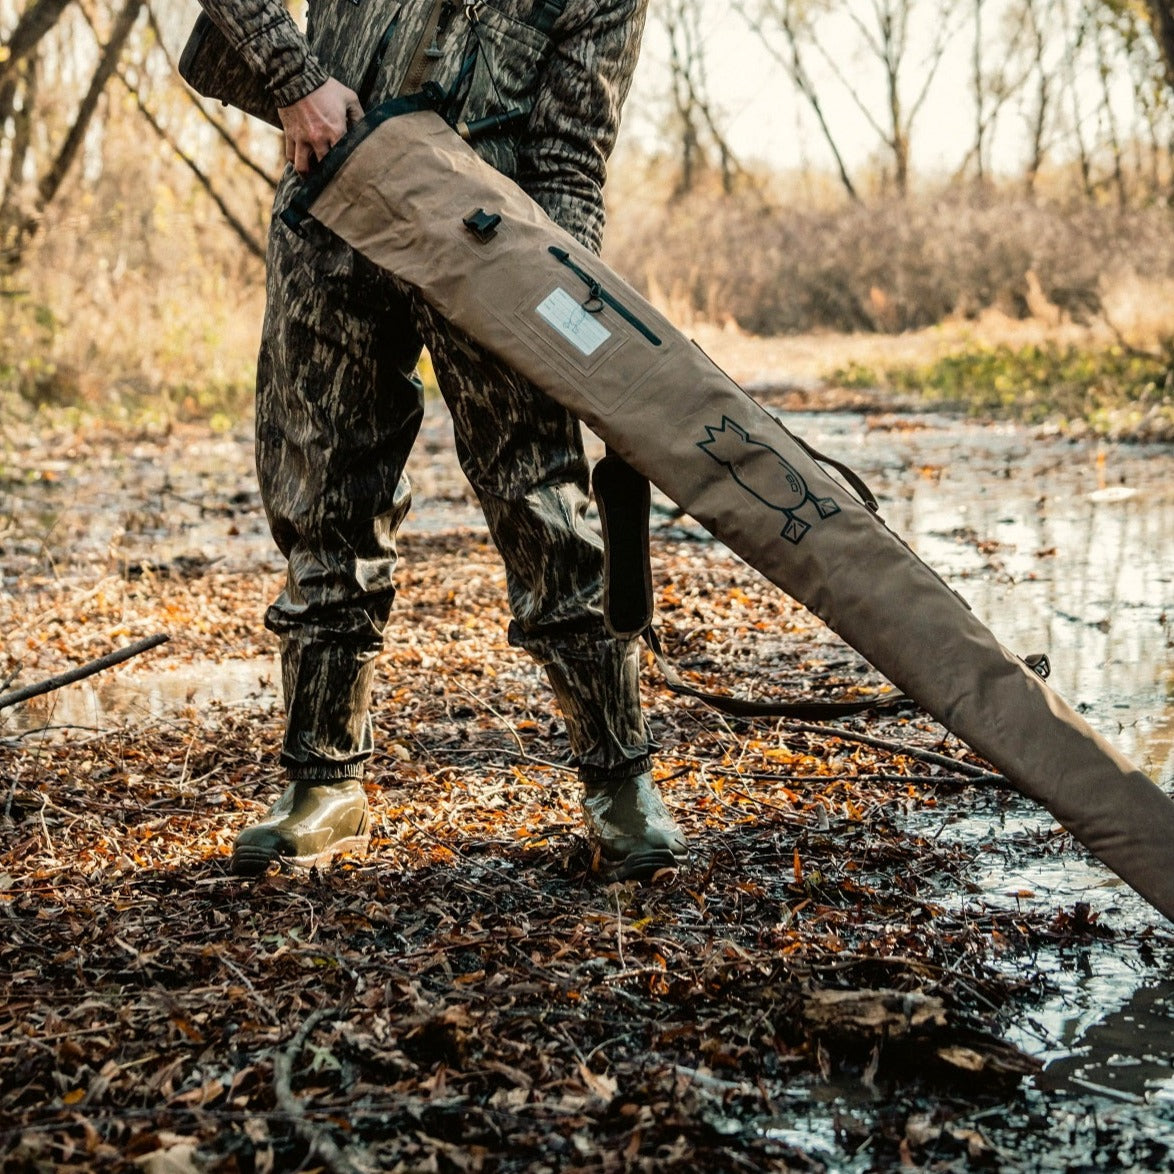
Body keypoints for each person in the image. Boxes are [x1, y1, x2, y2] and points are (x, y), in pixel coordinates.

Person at [195, 0, 687, 880]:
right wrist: (295, 81)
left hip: (494, 248)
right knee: (322, 493)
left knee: (546, 503)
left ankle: (620, 778)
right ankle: (322, 783)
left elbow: (571, 154)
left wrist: (564, 296)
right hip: (333, 210)